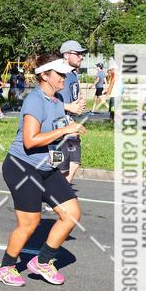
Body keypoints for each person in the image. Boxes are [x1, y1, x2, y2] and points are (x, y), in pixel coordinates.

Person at [0, 52, 85, 287]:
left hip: (46, 167)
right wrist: (64, 131)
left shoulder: (55, 101)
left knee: (71, 213)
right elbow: (30, 140)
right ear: (44, 75)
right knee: (29, 224)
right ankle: (5, 267)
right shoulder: (34, 100)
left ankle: (42, 262)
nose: (64, 77)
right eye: (60, 73)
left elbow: (52, 133)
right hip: (22, 167)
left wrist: (67, 131)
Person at [57, 39, 88, 183]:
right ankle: (55, 196)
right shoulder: (59, 74)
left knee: (74, 162)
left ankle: (60, 194)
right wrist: (70, 107)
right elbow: (49, 99)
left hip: (69, 122)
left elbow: (73, 95)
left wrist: (79, 101)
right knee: (59, 167)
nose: (81, 57)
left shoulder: (73, 74)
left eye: (82, 54)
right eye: (77, 54)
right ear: (66, 55)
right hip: (56, 126)